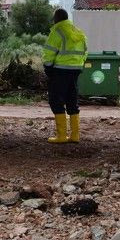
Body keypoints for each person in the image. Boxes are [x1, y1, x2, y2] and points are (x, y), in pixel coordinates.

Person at [42, 8, 87, 143]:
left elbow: (49, 52)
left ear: (57, 18)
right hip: (76, 70)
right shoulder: (78, 31)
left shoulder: (57, 31)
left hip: (60, 70)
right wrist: (78, 65)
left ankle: (61, 136)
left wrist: (48, 68)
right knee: (72, 100)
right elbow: (85, 51)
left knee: (56, 100)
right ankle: (75, 135)